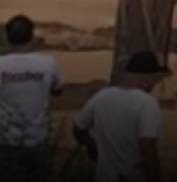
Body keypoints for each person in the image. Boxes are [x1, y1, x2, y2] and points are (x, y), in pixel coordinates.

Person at [0, 15, 63, 180]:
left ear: (7, 37)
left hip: (5, 139)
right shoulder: (48, 63)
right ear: (32, 36)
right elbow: (57, 89)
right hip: (37, 138)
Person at [72, 50, 169, 182]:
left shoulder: (101, 97)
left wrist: (91, 144)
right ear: (147, 79)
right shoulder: (147, 104)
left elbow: (78, 129)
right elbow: (147, 148)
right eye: (155, 79)